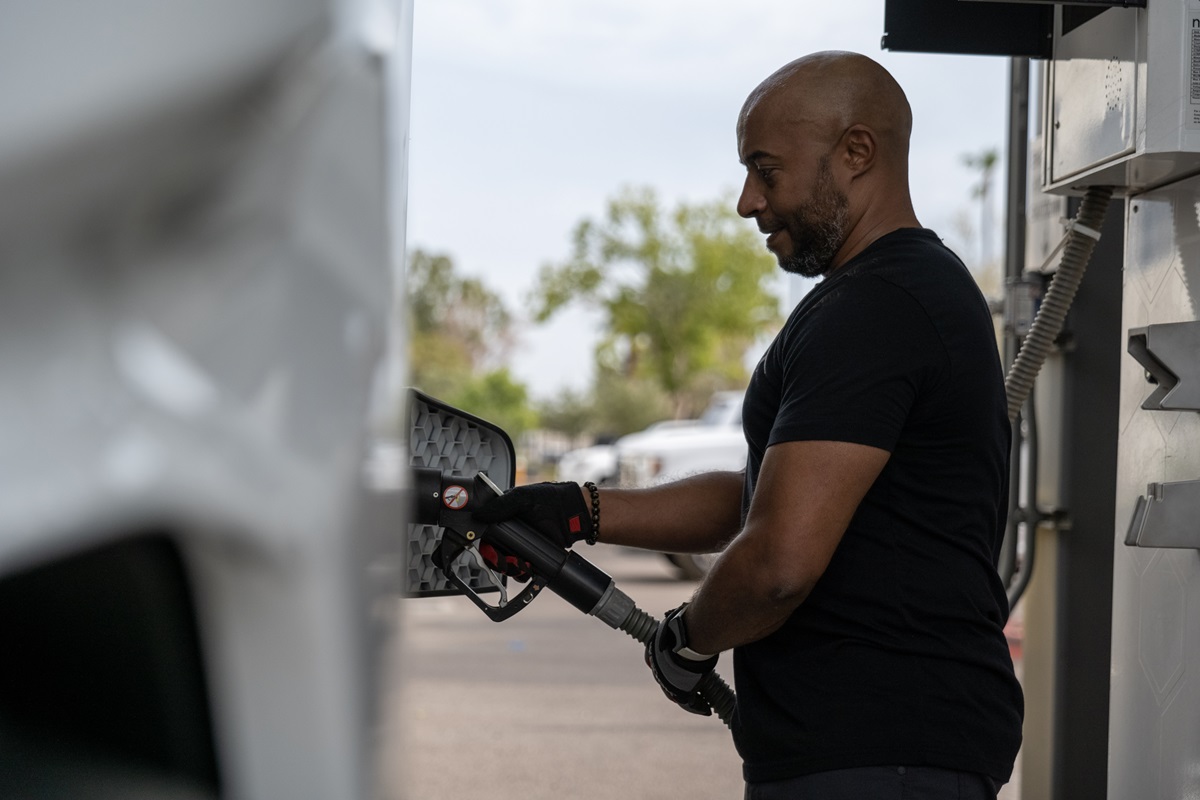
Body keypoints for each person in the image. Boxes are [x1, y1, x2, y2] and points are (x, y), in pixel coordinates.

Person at [476, 51, 1023, 799]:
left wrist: (687, 639)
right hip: (880, 747)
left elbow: (778, 561)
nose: (747, 202)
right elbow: (769, 497)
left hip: (880, 750)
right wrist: (580, 509)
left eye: (767, 171)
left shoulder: (877, 308)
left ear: (857, 152)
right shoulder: (897, 293)